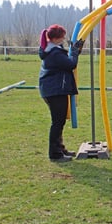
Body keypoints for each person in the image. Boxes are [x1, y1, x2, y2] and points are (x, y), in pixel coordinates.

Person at [38, 24, 83, 162]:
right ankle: (55, 154)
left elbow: (67, 61)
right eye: (62, 36)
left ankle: (60, 149)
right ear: (56, 38)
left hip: (53, 89)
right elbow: (70, 64)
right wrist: (74, 52)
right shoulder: (54, 53)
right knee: (57, 122)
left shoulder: (52, 49)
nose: (64, 38)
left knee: (59, 121)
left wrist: (74, 51)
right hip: (55, 90)